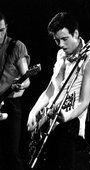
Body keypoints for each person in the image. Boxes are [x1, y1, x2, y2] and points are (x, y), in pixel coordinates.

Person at [27, 11, 90, 170]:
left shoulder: (89, 59)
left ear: (75, 33)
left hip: (70, 124)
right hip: (51, 121)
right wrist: (34, 111)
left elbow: (84, 101)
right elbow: (52, 89)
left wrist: (65, 116)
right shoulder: (61, 54)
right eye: (56, 40)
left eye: (65, 39)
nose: (60, 44)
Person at [0, 12, 31, 170]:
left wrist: (21, 85)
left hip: (10, 103)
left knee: (11, 153)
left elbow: (26, 79)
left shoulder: (16, 47)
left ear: (6, 28)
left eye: (1, 30)